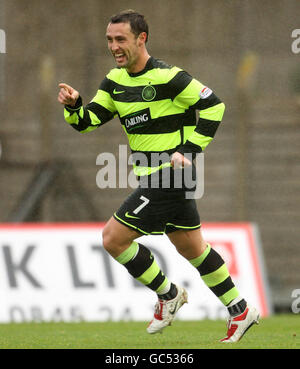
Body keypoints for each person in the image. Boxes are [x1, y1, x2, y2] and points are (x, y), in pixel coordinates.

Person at [57, 9, 259, 343]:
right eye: (109, 40)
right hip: (154, 178)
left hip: (170, 177)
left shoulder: (169, 76)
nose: (114, 46)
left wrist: (190, 150)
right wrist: (74, 105)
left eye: (121, 39)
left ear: (141, 39)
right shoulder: (114, 82)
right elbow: (87, 122)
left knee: (112, 238)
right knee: (194, 249)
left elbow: (215, 106)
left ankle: (167, 294)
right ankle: (239, 309)